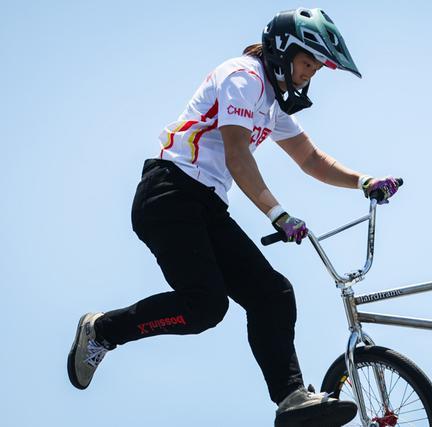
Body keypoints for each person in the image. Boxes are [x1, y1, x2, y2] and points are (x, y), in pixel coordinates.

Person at [67, 7, 400, 427]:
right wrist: (278, 214)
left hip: (204, 204)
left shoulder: (272, 103)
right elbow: (237, 154)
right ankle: (102, 331)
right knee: (205, 306)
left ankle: (291, 398)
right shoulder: (242, 77)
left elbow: (310, 158)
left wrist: (364, 181)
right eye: (306, 64)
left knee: (273, 294)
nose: (307, 76)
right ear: (283, 51)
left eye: (314, 70)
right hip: (168, 193)